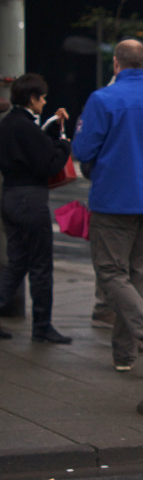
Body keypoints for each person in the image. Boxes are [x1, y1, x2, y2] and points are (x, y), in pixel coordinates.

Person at [72, 39, 143, 373]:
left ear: (116, 65)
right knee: (136, 275)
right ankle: (124, 356)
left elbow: (83, 149)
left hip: (112, 200)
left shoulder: (102, 99)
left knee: (110, 272)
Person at [0, 74, 74, 343]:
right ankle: (42, 326)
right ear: (32, 98)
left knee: (16, 263)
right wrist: (64, 144)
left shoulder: (8, 124)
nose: (44, 102)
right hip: (31, 200)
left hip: (10, 196)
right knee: (41, 265)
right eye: (42, 98)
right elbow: (47, 163)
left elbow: (34, 150)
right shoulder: (25, 127)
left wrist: (52, 129)